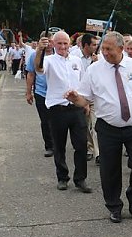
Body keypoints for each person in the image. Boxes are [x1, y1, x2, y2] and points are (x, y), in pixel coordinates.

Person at [65, 31, 132, 223]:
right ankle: (114, 205)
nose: (105, 53)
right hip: (108, 128)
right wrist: (76, 99)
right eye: (103, 48)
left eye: (109, 49)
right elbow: (85, 99)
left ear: (121, 48)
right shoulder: (94, 70)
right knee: (110, 170)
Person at [35, 31, 91, 193]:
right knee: (59, 146)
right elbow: (39, 68)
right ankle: (62, 177)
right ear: (53, 44)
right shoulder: (49, 60)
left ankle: (80, 179)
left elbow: (82, 82)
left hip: (76, 108)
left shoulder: (76, 61)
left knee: (81, 145)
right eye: (59, 43)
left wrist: (85, 103)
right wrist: (40, 50)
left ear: (70, 44)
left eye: (65, 43)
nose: (63, 47)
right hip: (57, 109)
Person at [25, 33, 55, 157]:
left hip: (57, 94)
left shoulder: (58, 54)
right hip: (41, 93)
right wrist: (28, 92)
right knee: (45, 121)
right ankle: (49, 145)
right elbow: (31, 74)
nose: (48, 44)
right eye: (45, 41)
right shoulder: (34, 56)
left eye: (50, 41)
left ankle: (58, 143)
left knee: (58, 120)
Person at [72, 33, 100, 162]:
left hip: (96, 97)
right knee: (85, 125)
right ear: (86, 45)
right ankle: (89, 148)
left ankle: (98, 154)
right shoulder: (75, 58)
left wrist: (97, 64)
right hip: (82, 97)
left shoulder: (99, 59)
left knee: (96, 125)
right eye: (93, 44)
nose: (96, 47)